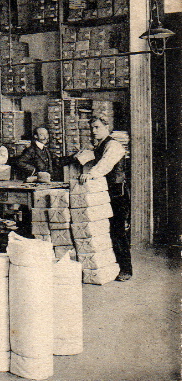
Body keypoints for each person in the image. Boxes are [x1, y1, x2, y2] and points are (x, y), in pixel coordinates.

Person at [77, 113, 132, 281]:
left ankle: (126, 270)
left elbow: (105, 165)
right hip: (106, 194)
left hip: (118, 194)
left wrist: (90, 174)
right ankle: (112, 268)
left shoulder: (113, 145)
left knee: (118, 232)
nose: (93, 131)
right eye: (91, 128)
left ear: (106, 127)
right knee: (106, 231)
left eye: (97, 127)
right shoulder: (100, 145)